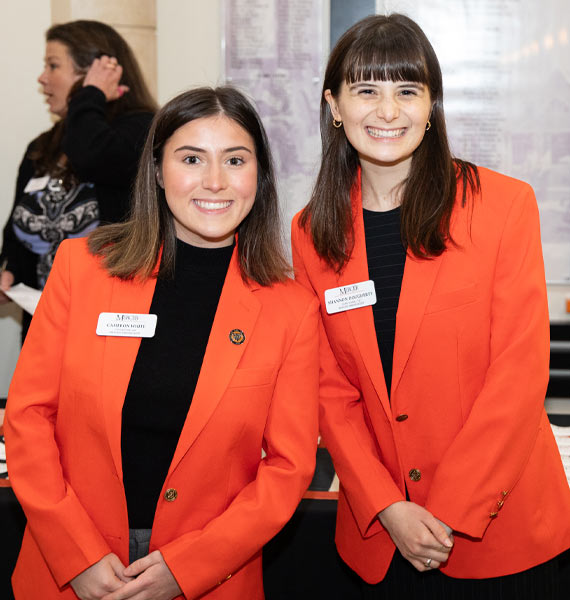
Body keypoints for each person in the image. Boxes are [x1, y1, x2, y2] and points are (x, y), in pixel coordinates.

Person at [291, 13, 570, 598]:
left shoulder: (501, 206)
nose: (387, 111)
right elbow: (328, 388)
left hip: (499, 530)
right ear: (334, 105)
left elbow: (518, 375)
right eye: (366, 90)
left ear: (431, 105)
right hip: (379, 537)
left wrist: (447, 510)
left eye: (406, 91)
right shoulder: (314, 230)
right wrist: (388, 505)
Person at [4, 86, 319, 600]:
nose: (214, 182)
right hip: (68, 568)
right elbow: (28, 417)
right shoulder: (81, 269)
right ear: (156, 170)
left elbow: (288, 468)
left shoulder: (290, 309)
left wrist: (188, 567)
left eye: (235, 160)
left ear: (258, 177)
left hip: (209, 576)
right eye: (191, 158)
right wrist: (76, 555)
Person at [0, 20, 156, 339]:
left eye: (53, 65)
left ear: (94, 73)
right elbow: (18, 230)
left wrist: (90, 95)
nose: (42, 78)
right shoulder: (42, 147)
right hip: (45, 329)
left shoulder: (142, 131)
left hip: (108, 331)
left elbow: (91, 155)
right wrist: (10, 270)